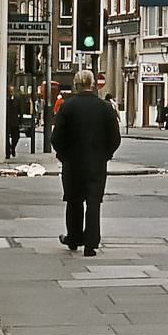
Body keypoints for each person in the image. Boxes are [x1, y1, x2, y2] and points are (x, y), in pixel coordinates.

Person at [51, 70, 122, 258]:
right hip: (97, 164)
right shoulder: (106, 108)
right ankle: (91, 244)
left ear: (76, 84)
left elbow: (56, 137)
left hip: (73, 164)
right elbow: (115, 138)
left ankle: (73, 238)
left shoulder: (67, 107)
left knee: (74, 201)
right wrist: (105, 155)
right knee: (93, 203)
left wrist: (63, 155)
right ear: (93, 84)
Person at [5, 86, 20, 159]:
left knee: (16, 137)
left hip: (15, 121)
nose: (11, 93)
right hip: (7, 121)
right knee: (6, 138)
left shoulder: (17, 100)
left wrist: (20, 120)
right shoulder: (5, 100)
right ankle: (8, 152)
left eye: (12, 91)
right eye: (9, 91)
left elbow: (20, 110)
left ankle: (12, 147)